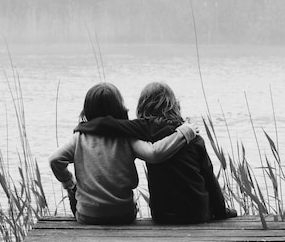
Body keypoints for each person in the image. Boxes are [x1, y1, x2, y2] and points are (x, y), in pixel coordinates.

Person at [76, 81, 237, 224]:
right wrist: (221, 211)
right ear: (175, 105)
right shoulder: (194, 138)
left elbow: (107, 124)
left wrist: (83, 128)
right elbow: (209, 179)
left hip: (163, 216)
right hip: (198, 214)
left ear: (142, 106)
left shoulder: (143, 128)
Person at [48, 82, 197, 225]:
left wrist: (68, 182)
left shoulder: (79, 138)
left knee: (75, 194)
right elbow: (154, 154)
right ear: (120, 107)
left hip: (86, 216)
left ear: (87, 109)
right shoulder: (127, 137)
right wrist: (184, 132)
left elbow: (55, 160)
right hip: (123, 214)